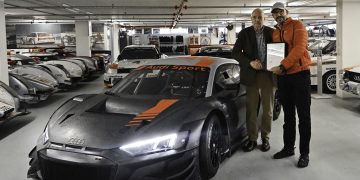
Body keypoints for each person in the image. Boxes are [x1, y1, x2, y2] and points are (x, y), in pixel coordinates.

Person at [269, 2, 312, 168]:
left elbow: (299, 48)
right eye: (275, 13)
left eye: (280, 11)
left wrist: (282, 66)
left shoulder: (297, 25)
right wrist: (274, 67)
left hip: (300, 75)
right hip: (284, 78)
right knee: (288, 117)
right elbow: (275, 52)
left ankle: (304, 153)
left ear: (286, 12)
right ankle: (288, 148)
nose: (278, 14)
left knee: (304, 117)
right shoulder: (275, 32)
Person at [232, 8, 275, 152]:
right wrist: (250, 62)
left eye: (260, 17)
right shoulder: (244, 34)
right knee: (251, 110)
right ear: (251, 19)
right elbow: (236, 53)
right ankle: (252, 139)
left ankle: (265, 138)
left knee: (267, 109)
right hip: (251, 76)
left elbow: (279, 51)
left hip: (268, 75)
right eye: (255, 17)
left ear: (265, 18)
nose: (257, 19)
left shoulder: (272, 32)